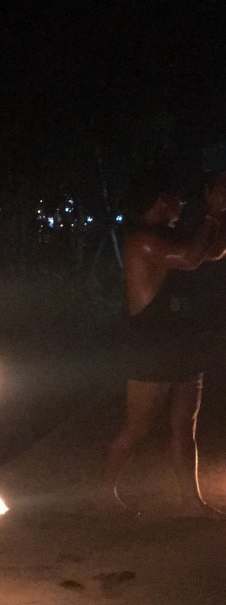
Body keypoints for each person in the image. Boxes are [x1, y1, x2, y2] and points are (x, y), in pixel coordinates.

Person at [103, 173, 226, 515]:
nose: (182, 202)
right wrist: (213, 213)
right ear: (160, 201)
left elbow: (211, 251)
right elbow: (189, 258)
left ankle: (191, 501)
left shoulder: (168, 235)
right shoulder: (141, 240)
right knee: (137, 427)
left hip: (181, 340)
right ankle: (102, 494)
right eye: (174, 196)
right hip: (151, 346)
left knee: (184, 425)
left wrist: (222, 212)